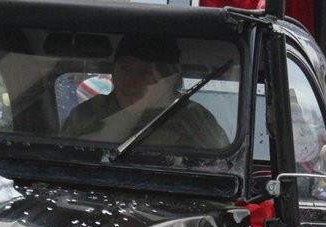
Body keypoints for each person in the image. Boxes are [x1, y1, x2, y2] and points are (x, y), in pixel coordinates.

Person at [61, 35, 228, 148]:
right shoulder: (89, 113)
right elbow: (61, 165)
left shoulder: (192, 119)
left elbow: (220, 178)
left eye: (146, 72)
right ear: (113, 70)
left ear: (166, 79)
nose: (132, 81)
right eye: (125, 68)